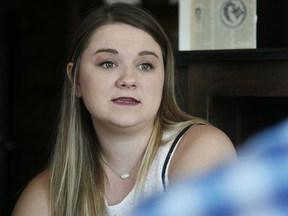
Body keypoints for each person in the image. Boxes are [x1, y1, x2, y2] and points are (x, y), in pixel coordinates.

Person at [12, 3, 237, 216]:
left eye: (145, 65)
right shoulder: (45, 195)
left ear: (164, 79)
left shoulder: (203, 150)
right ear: (76, 81)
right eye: (108, 63)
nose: (128, 80)